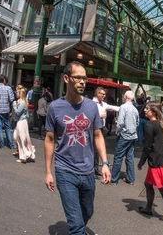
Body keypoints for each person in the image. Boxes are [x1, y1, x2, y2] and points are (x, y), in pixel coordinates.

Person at [44, 61, 111, 235]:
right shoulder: (54, 108)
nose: (83, 82)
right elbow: (50, 139)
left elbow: (97, 135)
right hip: (65, 171)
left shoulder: (91, 106)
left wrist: (105, 163)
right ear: (66, 78)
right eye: (78, 78)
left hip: (88, 170)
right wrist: (48, 171)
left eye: (85, 78)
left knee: (87, 212)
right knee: (75, 225)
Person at [137, 102, 163, 221]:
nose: (145, 110)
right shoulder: (162, 124)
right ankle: (149, 208)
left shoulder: (149, 125)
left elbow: (147, 147)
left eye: (147, 109)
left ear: (154, 112)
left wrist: (141, 162)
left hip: (156, 162)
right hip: (161, 159)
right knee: (148, 184)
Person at [111, 90, 139, 185]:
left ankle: (114, 179)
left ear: (126, 97)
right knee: (130, 157)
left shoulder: (123, 107)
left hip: (124, 135)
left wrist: (117, 131)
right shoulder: (135, 109)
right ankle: (130, 179)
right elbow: (137, 123)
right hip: (133, 135)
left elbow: (120, 123)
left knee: (118, 157)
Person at [12, 86, 35, 163]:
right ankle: (29, 153)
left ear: (20, 93)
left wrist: (14, 105)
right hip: (22, 121)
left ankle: (24, 156)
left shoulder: (21, 102)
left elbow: (18, 112)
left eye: (17, 92)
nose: (16, 93)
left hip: (21, 122)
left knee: (21, 139)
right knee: (19, 137)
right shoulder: (23, 101)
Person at [0, 75, 15, 149]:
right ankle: (11, 144)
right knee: (7, 127)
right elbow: (12, 99)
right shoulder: (8, 88)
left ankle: (1, 143)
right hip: (6, 109)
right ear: (4, 80)